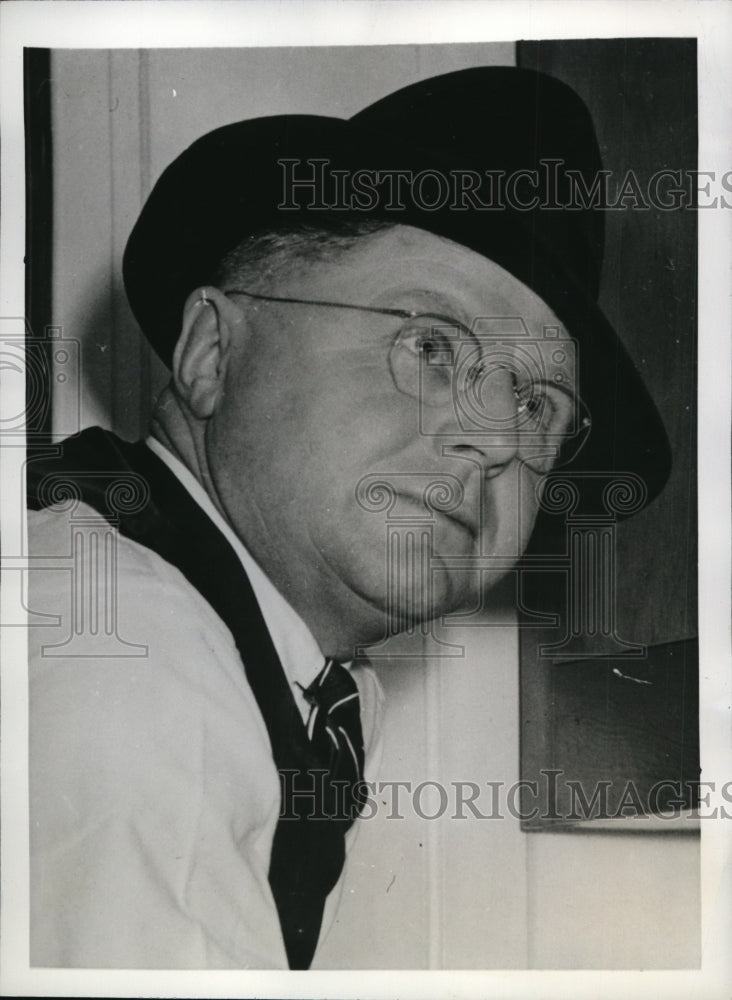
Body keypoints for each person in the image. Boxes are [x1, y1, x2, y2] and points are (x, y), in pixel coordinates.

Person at [26, 66, 670, 969]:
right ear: (211, 354)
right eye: (434, 345)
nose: (492, 444)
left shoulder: (236, 642)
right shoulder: (137, 663)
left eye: (535, 407)